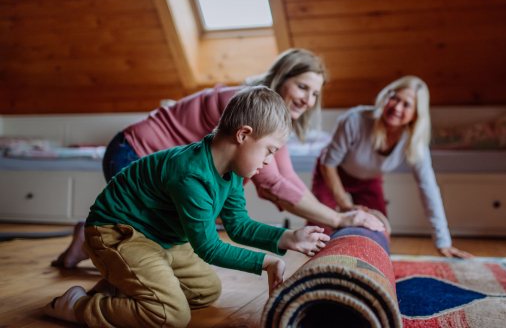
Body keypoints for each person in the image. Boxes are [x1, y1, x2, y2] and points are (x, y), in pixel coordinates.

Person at [52, 48, 384, 268]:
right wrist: (339, 220)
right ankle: (101, 248)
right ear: (282, 78)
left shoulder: (270, 118)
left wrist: (340, 214)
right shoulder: (244, 105)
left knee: (170, 236)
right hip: (133, 151)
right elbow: (273, 183)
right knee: (149, 235)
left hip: (174, 169)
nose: (309, 100)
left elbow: (286, 179)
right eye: (303, 87)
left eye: (316, 93)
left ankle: (90, 241)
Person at [44, 86, 331, 327]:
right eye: (269, 150)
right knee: (171, 315)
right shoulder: (191, 175)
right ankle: (77, 306)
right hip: (118, 232)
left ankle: (119, 285)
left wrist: (287, 238)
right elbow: (209, 248)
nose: (269, 161)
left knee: (207, 291)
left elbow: (238, 225)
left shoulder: (231, 173)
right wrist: (267, 262)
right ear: (243, 135)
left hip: (163, 238)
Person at [311, 76, 473, 259]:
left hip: (369, 179)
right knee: (319, 229)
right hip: (331, 172)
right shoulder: (354, 119)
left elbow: (428, 187)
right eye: (394, 98)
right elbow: (329, 164)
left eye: (407, 105)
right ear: (385, 97)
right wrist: (346, 206)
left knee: (378, 228)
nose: (397, 107)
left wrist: (443, 242)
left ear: (416, 114)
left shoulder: (414, 140)